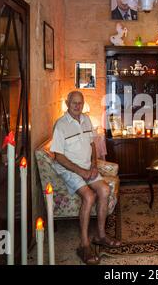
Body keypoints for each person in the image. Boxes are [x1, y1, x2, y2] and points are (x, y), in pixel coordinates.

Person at [50, 91, 121, 265]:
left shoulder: (86, 120)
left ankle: (101, 235)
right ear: (67, 103)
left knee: (104, 189)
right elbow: (58, 156)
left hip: (88, 168)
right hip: (70, 170)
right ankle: (84, 244)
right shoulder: (60, 125)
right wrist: (81, 171)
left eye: (80, 103)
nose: (77, 106)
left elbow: (92, 144)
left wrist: (94, 165)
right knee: (89, 196)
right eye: (74, 103)